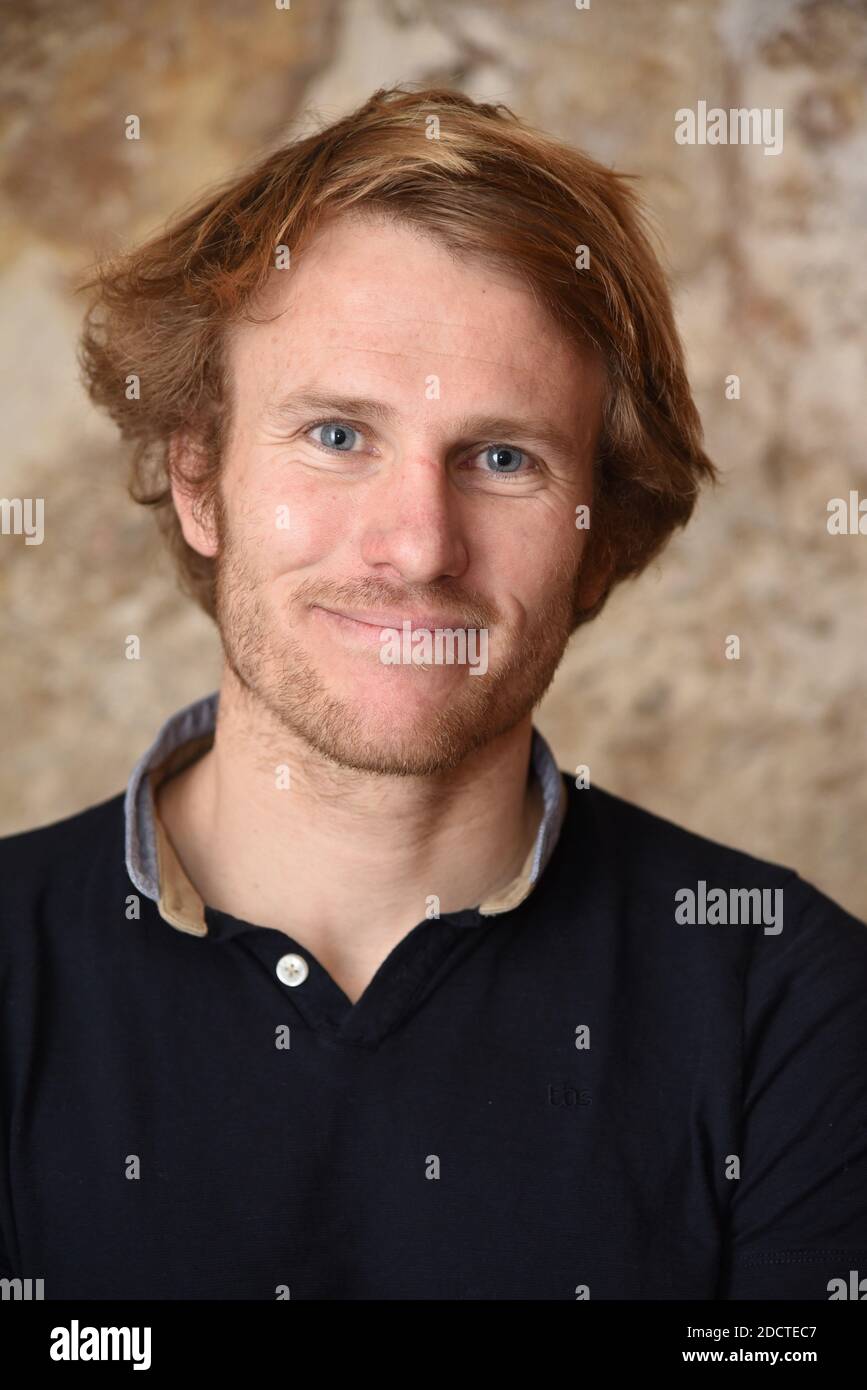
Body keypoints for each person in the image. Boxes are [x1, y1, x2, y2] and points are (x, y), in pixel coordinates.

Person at [1, 86, 865, 1301]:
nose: (416, 546)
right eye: (338, 435)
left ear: (601, 537)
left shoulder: (797, 1008)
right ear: (200, 479)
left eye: (503, 458)